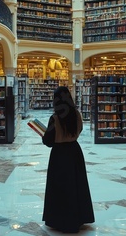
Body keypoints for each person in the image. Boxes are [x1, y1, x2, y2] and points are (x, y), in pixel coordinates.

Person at [42, 86, 95, 233]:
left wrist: (44, 135)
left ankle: (59, 219)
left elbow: (48, 141)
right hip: (74, 152)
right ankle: (78, 217)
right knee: (76, 184)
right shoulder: (77, 114)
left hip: (59, 155)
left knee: (59, 187)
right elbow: (80, 130)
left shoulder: (55, 118)